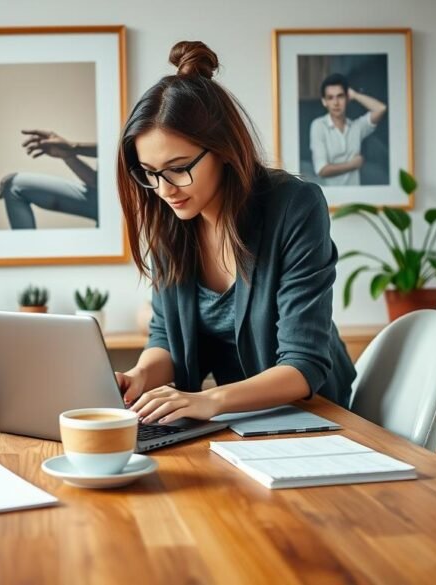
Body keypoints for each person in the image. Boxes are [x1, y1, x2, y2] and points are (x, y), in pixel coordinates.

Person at [114, 41, 356, 426]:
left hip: (314, 417)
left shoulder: (294, 207)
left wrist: (209, 400)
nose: (163, 189)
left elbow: (303, 364)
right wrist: (139, 377)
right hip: (236, 421)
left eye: (178, 168)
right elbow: (165, 336)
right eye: (149, 172)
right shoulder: (170, 219)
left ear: (224, 150)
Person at [0, 129, 99, 229]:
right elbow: (95, 181)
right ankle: (26, 245)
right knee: (14, 185)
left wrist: (73, 147)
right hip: (100, 196)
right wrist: (68, 156)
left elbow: (110, 148)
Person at [309, 73, 387, 186]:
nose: (336, 103)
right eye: (330, 98)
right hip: (329, 198)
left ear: (347, 98)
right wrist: (353, 165)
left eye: (340, 96)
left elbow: (381, 109)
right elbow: (321, 170)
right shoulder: (318, 125)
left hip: (354, 196)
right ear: (324, 101)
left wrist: (355, 95)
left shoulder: (356, 127)